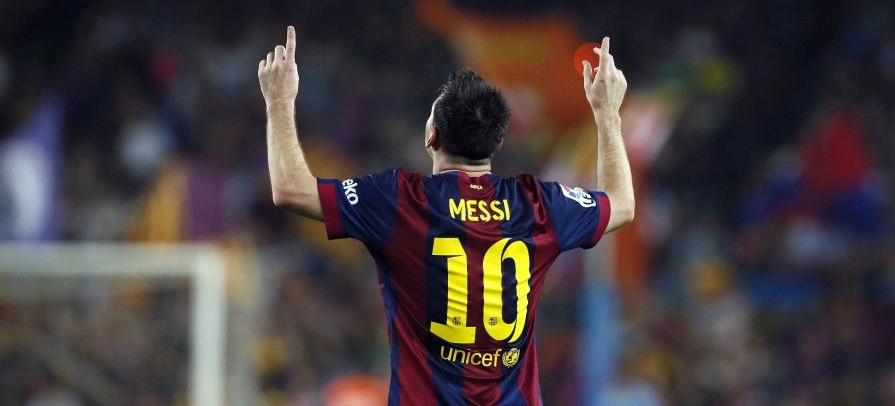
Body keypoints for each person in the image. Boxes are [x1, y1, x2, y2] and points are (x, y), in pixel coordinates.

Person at [258, 26, 635, 405]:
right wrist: (607, 115)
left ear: (431, 137)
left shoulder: (399, 200)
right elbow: (621, 204)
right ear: (497, 142)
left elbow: (291, 189)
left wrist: (279, 102)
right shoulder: (538, 203)